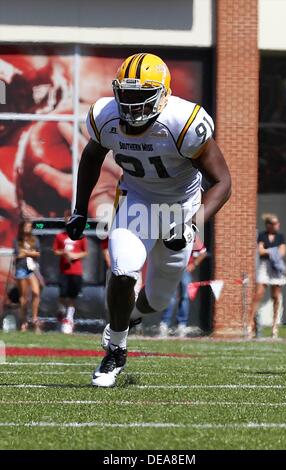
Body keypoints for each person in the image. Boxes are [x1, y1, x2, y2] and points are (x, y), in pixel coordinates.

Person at [66, 53, 231, 387]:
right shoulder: (104, 116)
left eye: (141, 96)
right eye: (126, 94)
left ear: (163, 95)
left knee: (156, 301)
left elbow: (223, 182)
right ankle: (116, 348)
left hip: (180, 208)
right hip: (136, 202)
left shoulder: (183, 123)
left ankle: (131, 316)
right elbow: (91, 157)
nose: (131, 103)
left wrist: (192, 223)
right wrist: (79, 208)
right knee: (124, 270)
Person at [248, 214, 286, 339]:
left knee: (276, 296)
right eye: (275, 223)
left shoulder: (280, 237)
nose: (277, 225)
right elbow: (260, 251)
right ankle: (250, 324)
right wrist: (273, 251)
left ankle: (274, 325)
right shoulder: (262, 236)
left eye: (278, 223)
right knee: (258, 294)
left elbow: (282, 252)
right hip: (265, 266)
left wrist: (268, 250)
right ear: (269, 225)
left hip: (276, 267)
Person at [159, 236, 207, 337]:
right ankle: (164, 324)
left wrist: (194, 264)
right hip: (171, 268)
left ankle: (181, 324)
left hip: (184, 270)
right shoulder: (169, 233)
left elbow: (203, 252)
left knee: (185, 296)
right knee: (170, 297)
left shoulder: (191, 235)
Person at [53, 209, 88, 334]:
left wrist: (74, 256)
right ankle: (60, 315)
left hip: (76, 271)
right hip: (64, 271)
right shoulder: (59, 236)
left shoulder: (81, 236)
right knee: (63, 295)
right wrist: (64, 253)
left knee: (72, 296)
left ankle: (69, 319)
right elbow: (55, 251)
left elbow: (85, 252)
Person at [13, 220, 41, 332]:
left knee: (36, 293)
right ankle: (23, 321)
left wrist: (26, 252)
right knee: (24, 298)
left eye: (29, 227)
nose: (28, 228)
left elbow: (37, 253)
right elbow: (18, 254)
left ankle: (34, 318)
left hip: (32, 269)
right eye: (26, 226)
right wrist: (29, 252)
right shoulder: (17, 240)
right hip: (21, 269)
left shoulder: (34, 240)